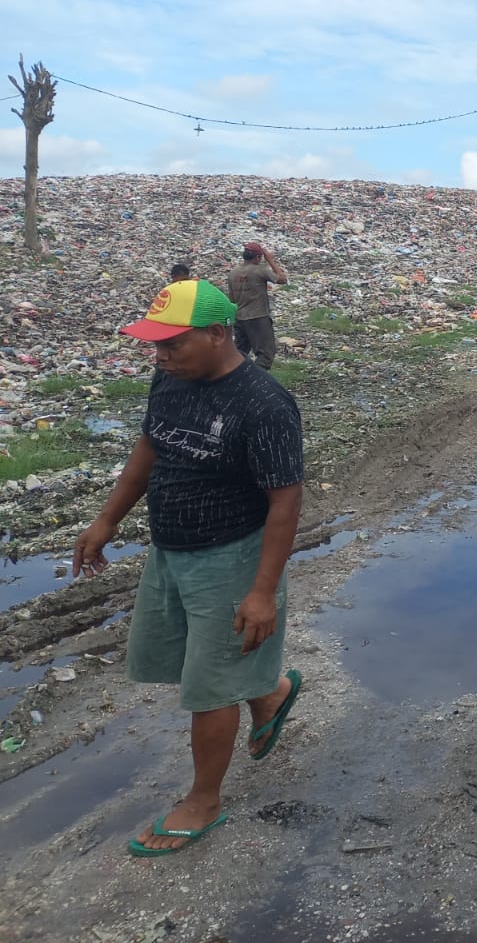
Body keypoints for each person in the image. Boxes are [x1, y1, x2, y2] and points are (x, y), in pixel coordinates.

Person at [72, 279, 304, 857]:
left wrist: (262, 593)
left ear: (219, 334)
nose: (161, 355)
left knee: (209, 688)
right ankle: (269, 694)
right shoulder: (170, 380)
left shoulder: (264, 404)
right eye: (155, 345)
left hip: (232, 555)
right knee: (188, 660)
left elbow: (285, 503)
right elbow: (150, 447)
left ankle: (204, 800)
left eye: (172, 344)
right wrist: (107, 521)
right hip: (170, 548)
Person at [226, 242, 288, 370]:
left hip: (239, 318)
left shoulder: (233, 273)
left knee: (239, 354)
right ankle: (256, 381)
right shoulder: (260, 270)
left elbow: (231, 299)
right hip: (258, 318)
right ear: (258, 257)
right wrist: (270, 260)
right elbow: (282, 279)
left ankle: (235, 380)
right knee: (265, 355)